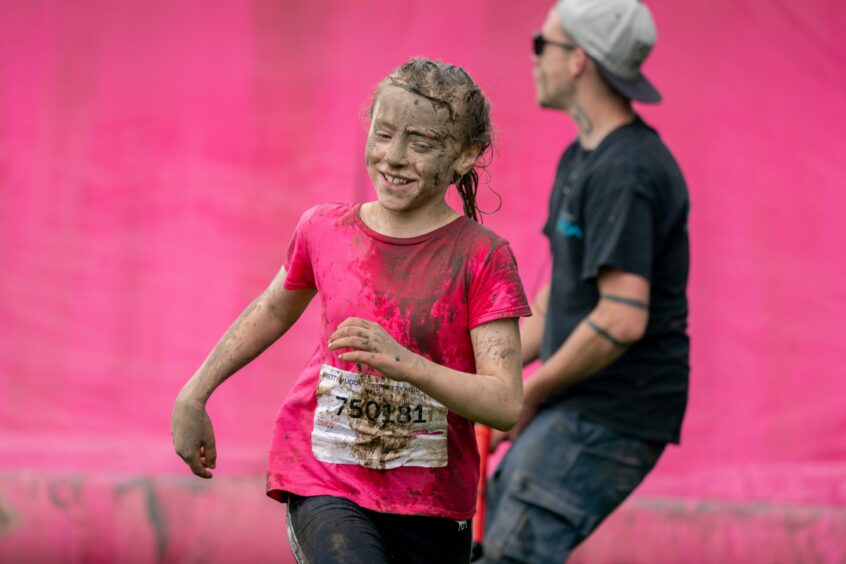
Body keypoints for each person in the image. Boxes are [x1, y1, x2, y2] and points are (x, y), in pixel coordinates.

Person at [170, 57, 532, 563]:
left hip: (432, 505)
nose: (395, 157)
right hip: (324, 479)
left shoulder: (483, 257)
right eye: (383, 134)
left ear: (465, 156)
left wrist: (405, 363)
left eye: (422, 144)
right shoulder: (324, 229)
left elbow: (504, 402)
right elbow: (273, 309)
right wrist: (195, 392)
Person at [479, 1, 690, 562]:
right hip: (576, 401)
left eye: (540, 43)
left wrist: (527, 396)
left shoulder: (628, 170)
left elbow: (622, 315)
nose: (533, 59)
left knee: (507, 551)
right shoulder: (583, 157)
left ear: (578, 61)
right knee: (489, 532)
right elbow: (558, 301)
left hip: (613, 410)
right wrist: (484, 377)